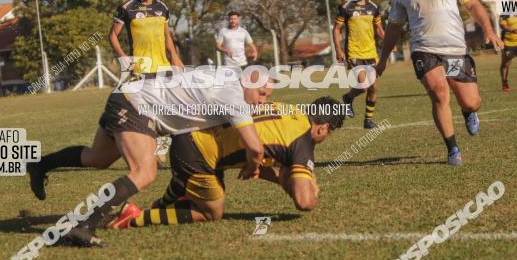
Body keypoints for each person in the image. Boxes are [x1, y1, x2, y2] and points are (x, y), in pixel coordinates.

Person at [28, 66, 273, 247]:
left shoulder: (228, 75)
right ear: (248, 82)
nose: (263, 101)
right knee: (145, 172)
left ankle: (41, 165)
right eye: (262, 94)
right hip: (137, 104)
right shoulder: (232, 96)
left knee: (97, 158)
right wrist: (253, 166)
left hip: (128, 95)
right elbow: (256, 148)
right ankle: (83, 225)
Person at [106, 97, 346, 230]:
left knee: (196, 184)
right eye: (329, 133)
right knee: (212, 212)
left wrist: (284, 180)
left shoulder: (288, 108)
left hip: (191, 136)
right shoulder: (302, 142)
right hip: (198, 153)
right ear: (323, 128)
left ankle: (164, 203)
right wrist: (310, 189)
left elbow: (257, 162)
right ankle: (134, 219)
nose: (326, 138)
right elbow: (304, 203)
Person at [375, 0, 503, 166]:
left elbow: (472, 5)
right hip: (424, 50)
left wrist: (489, 30)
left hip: (454, 51)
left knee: (471, 102)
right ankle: (453, 148)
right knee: (439, 93)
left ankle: (468, 112)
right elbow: (394, 29)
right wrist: (383, 59)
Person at [333, 0, 385, 129]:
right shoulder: (346, 7)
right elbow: (336, 29)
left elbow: (380, 30)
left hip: (371, 53)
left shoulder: (374, 8)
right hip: (354, 52)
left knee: (373, 87)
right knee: (364, 85)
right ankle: (348, 98)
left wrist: (390, 42)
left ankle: (368, 120)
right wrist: (338, 49)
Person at [110, 0, 184, 75]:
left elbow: (166, 35)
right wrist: (122, 55)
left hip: (164, 67)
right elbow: (112, 35)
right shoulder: (126, 8)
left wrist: (174, 57)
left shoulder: (162, 7)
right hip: (141, 69)